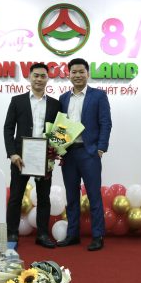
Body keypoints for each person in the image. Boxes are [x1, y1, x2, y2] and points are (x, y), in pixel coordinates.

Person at [3, 62, 61, 248]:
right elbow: (8, 128)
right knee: (16, 197)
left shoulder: (55, 104)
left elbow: (60, 131)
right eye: (36, 75)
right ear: (29, 77)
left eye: (43, 76)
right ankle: (12, 233)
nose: (39, 79)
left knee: (44, 197)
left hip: (44, 159)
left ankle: (42, 234)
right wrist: (12, 153)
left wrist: (55, 152)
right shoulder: (17, 101)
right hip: (20, 158)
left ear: (47, 79)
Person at [57, 58, 112, 251]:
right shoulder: (63, 98)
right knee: (71, 196)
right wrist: (57, 149)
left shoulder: (98, 96)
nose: (78, 75)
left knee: (94, 196)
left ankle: (98, 236)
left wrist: (101, 148)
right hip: (69, 154)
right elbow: (60, 126)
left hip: (89, 153)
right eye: (74, 72)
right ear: (69, 74)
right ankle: (72, 235)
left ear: (87, 74)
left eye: (81, 72)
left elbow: (106, 123)